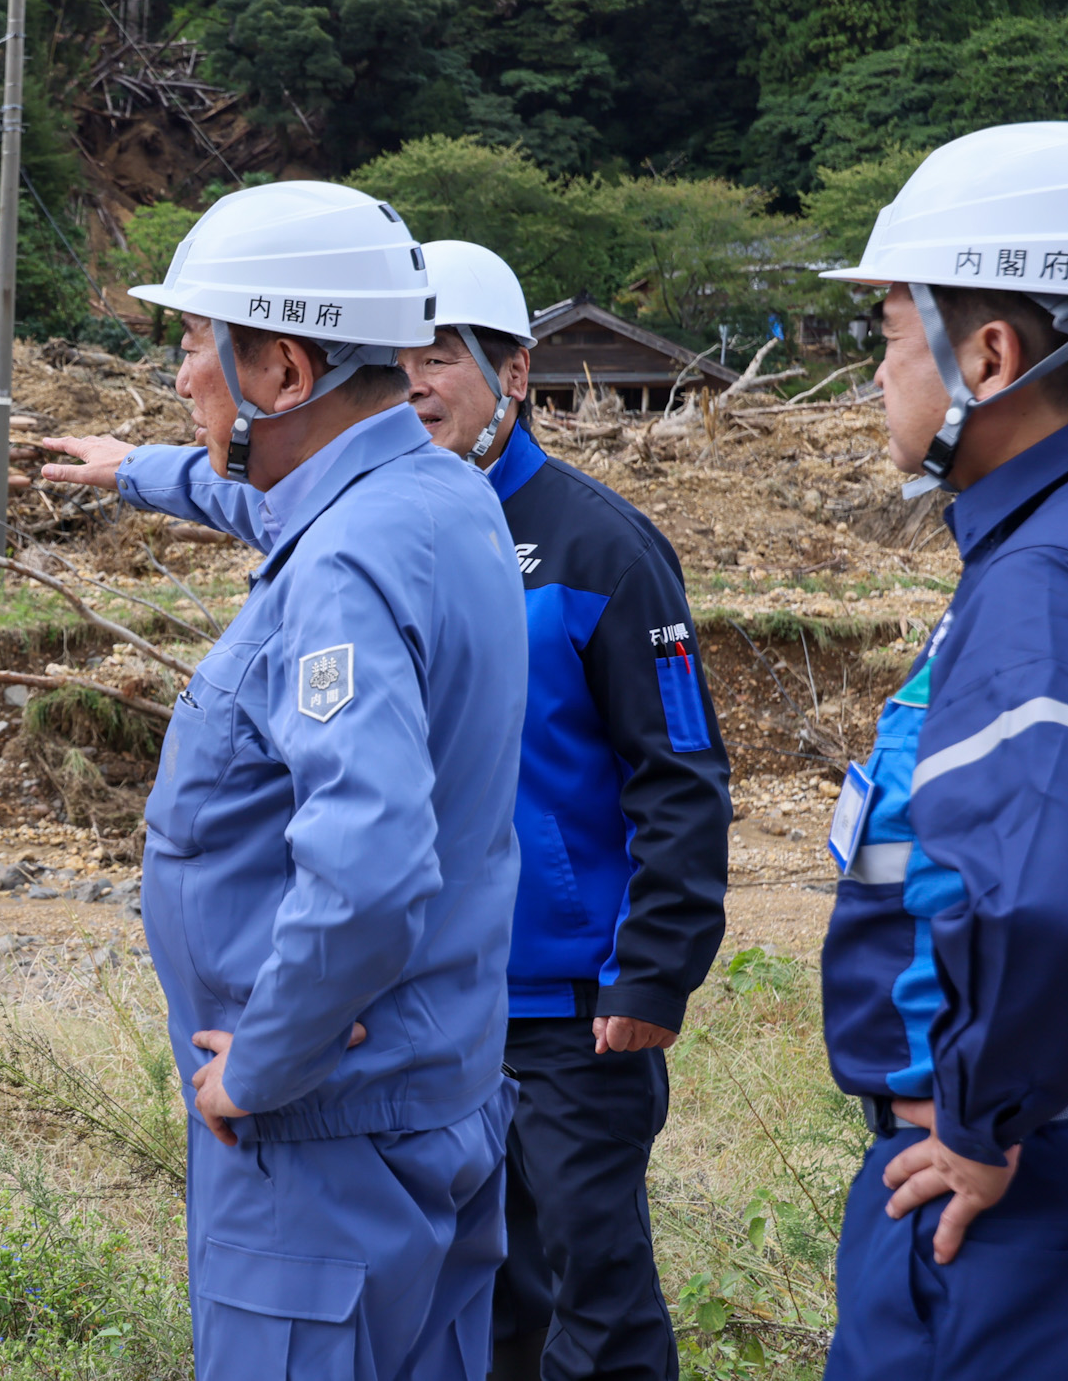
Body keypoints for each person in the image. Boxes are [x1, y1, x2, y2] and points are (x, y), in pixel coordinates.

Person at [41, 182, 528, 1381]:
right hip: (433, 1093)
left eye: (196, 343)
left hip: (323, 1137)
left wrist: (260, 1061)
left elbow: (365, 871)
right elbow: (274, 505)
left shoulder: (348, 563)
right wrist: (136, 471)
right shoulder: (434, 494)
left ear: (284, 372)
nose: (179, 375)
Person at [403, 242, 731, 1381]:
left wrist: (652, 971)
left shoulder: (598, 544)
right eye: (390, 354)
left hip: (570, 1013)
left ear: (515, 372)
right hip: (430, 1003)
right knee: (475, 1297)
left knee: (594, 1300)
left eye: (440, 353)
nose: (412, 379)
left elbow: (679, 768)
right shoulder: (383, 539)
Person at [812, 122, 1068, 1380]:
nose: (873, 372)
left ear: (988, 352)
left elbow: (1042, 899)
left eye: (885, 333)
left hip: (1024, 1196)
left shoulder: (1042, 577)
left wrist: (983, 1121)